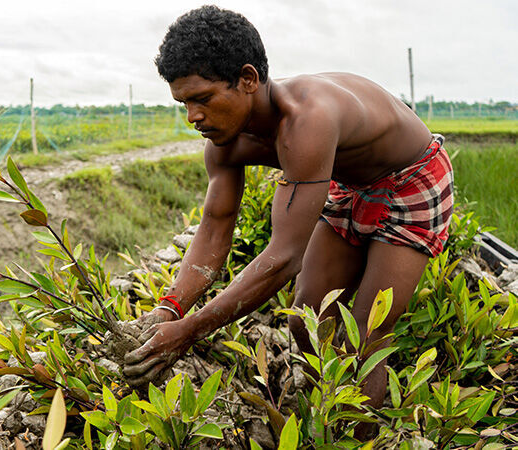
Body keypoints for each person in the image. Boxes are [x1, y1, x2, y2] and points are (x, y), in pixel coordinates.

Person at [122, 4, 453, 422]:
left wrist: (188, 333)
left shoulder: (307, 120)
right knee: (307, 319)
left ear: (248, 79)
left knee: (366, 335)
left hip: (411, 180)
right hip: (347, 183)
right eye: (183, 103)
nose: (193, 118)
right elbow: (213, 230)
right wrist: (170, 309)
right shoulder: (223, 144)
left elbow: (285, 257)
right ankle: (332, 409)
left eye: (202, 99)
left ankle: (359, 431)